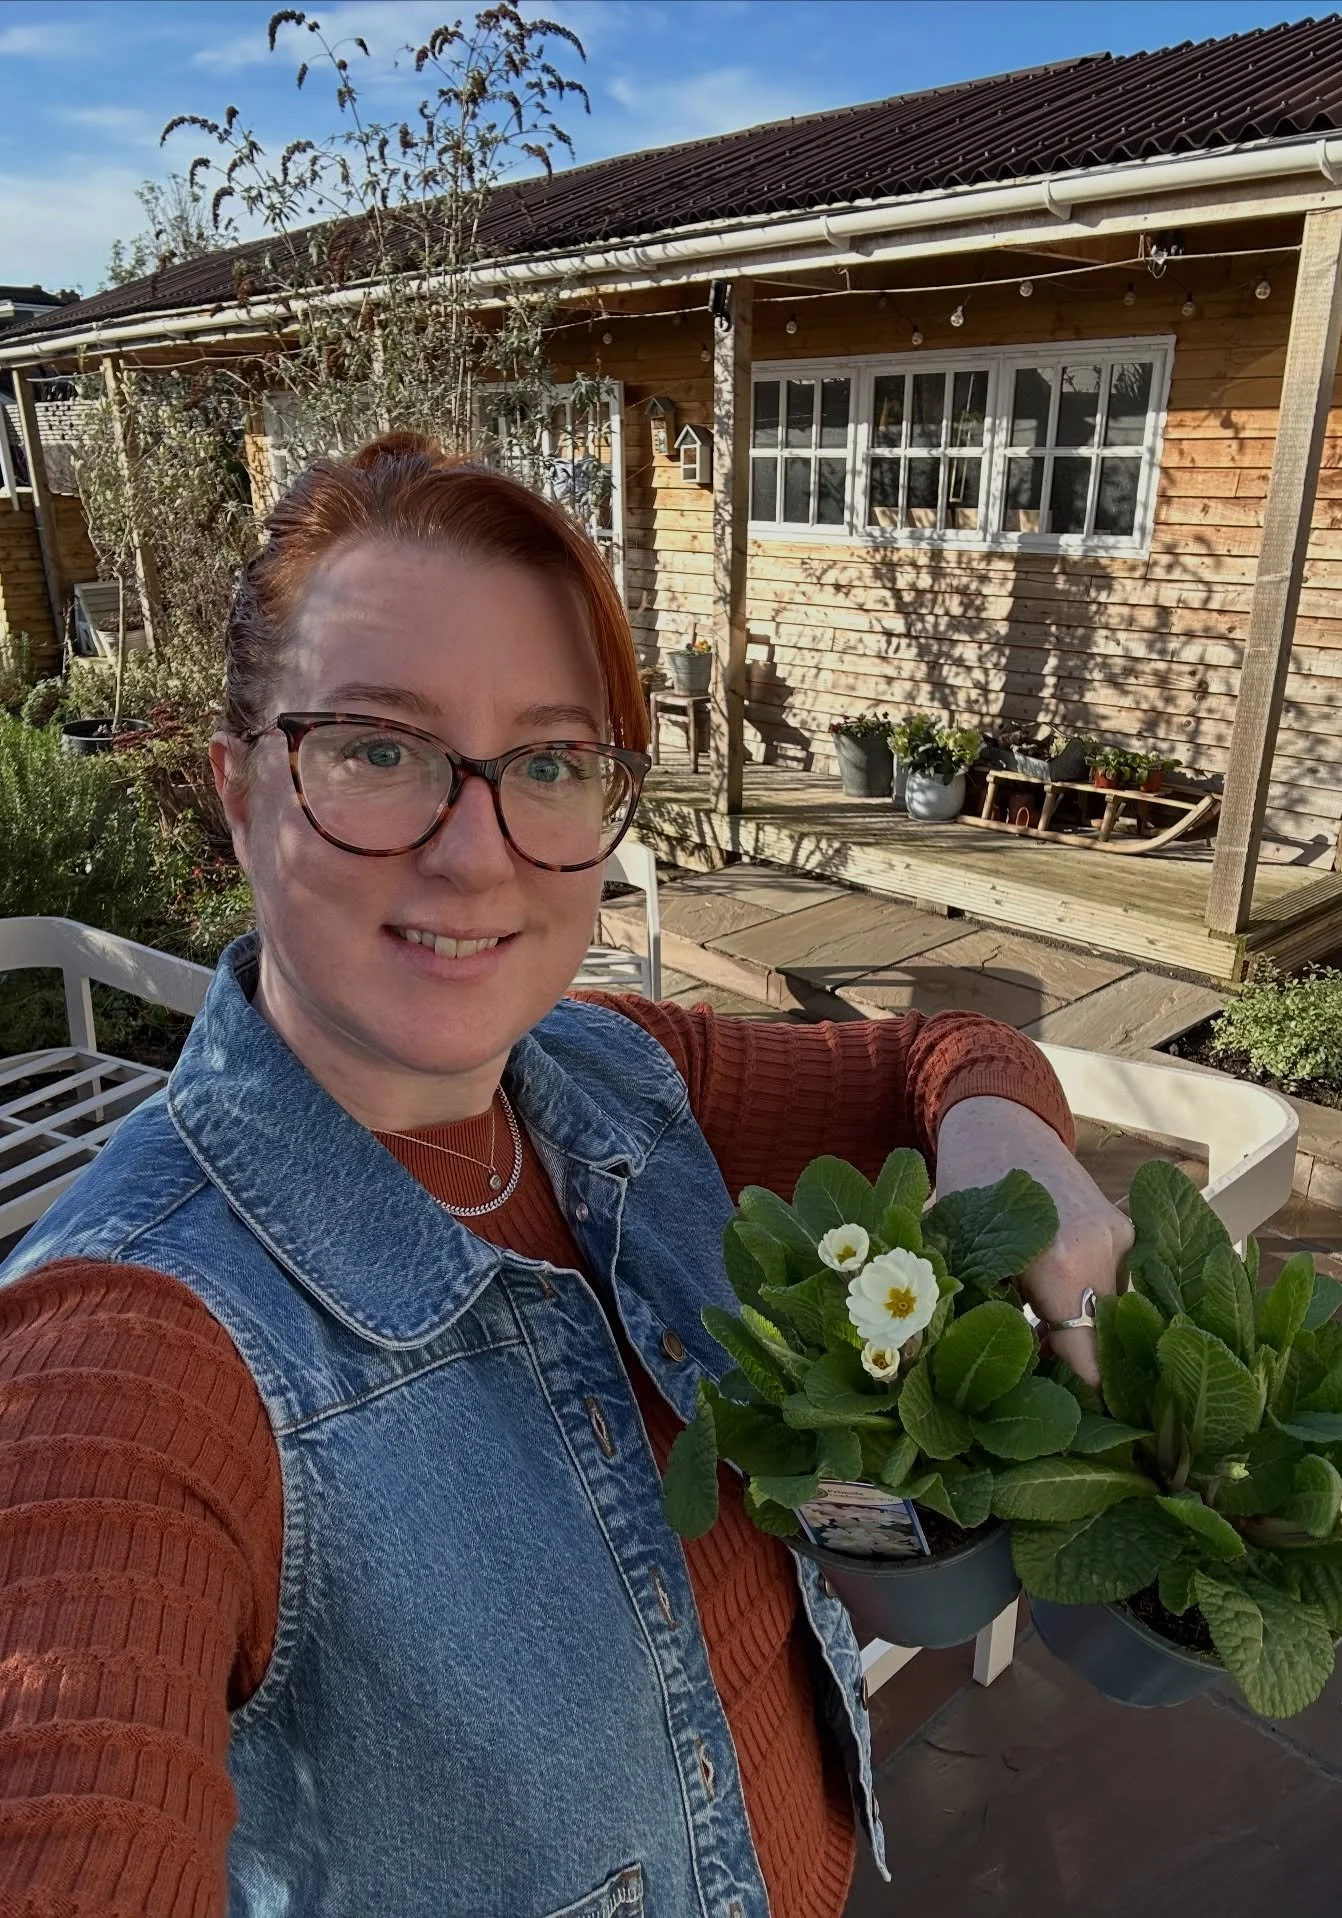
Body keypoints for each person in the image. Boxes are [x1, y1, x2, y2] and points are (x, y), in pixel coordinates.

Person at [0, 434, 1132, 1918]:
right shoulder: (127, 1360)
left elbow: (942, 1053)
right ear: (239, 788)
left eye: (547, 762)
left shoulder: (618, 1074)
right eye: (377, 749)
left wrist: (1007, 1136)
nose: (477, 856)